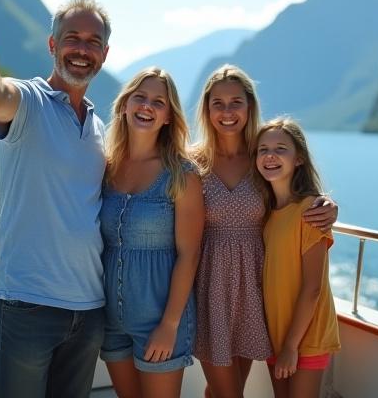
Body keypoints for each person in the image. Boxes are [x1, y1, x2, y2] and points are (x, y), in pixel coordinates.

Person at [0, 0, 111, 397]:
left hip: (89, 310)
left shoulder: (100, 127)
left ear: (104, 52)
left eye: (93, 41)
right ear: (52, 45)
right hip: (28, 306)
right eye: (72, 38)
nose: (82, 49)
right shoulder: (29, 101)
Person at [192, 64, 338, 398]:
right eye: (218, 103)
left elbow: (291, 200)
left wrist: (328, 205)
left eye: (236, 102)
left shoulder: (260, 158)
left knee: (221, 392)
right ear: (207, 108)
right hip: (210, 288)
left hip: (255, 291)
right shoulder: (191, 162)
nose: (227, 111)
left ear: (249, 106)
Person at [100, 67, 204, 398]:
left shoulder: (181, 175)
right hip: (109, 319)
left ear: (169, 116)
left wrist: (170, 325)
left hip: (159, 320)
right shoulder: (106, 167)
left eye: (158, 101)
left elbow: (189, 254)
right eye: (140, 97)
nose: (147, 106)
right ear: (124, 105)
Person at [254, 117, 341, 398]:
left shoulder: (310, 211)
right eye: (262, 149)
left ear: (299, 158)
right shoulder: (267, 214)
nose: (270, 155)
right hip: (277, 334)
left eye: (281, 148)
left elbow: (313, 287)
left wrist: (291, 346)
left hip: (305, 337)